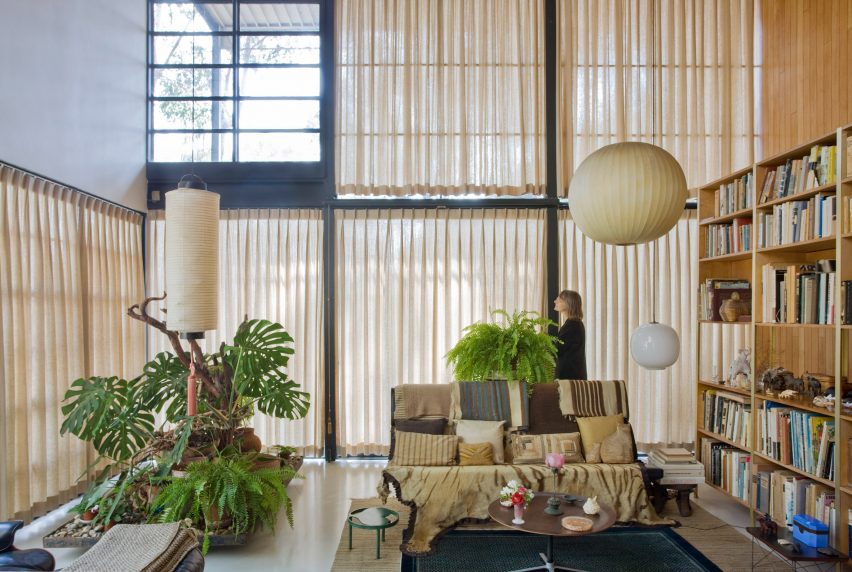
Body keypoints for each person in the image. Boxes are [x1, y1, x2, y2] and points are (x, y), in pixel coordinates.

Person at [553, 290, 587, 380]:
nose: (555, 301)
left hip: (570, 380)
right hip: (572, 378)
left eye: (559, 299)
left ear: (568, 303)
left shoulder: (573, 325)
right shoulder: (574, 324)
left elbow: (557, 348)